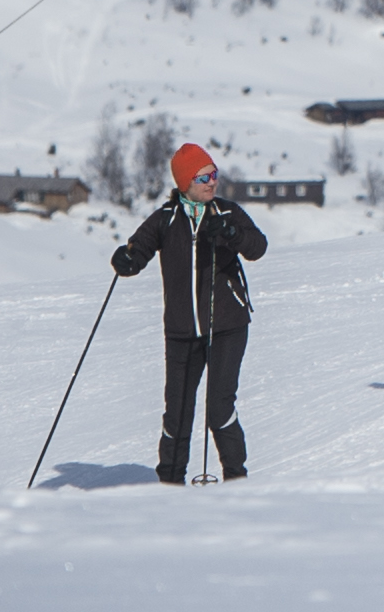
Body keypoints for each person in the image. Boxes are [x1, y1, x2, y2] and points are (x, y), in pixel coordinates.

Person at [108, 140, 266, 482]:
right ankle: (170, 484)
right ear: (184, 184)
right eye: (203, 177)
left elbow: (257, 246)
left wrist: (230, 234)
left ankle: (236, 481)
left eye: (213, 174)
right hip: (181, 331)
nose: (212, 182)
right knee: (177, 413)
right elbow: (139, 251)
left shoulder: (226, 213)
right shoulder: (166, 219)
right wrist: (125, 261)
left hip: (227, 325)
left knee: (219, 408)